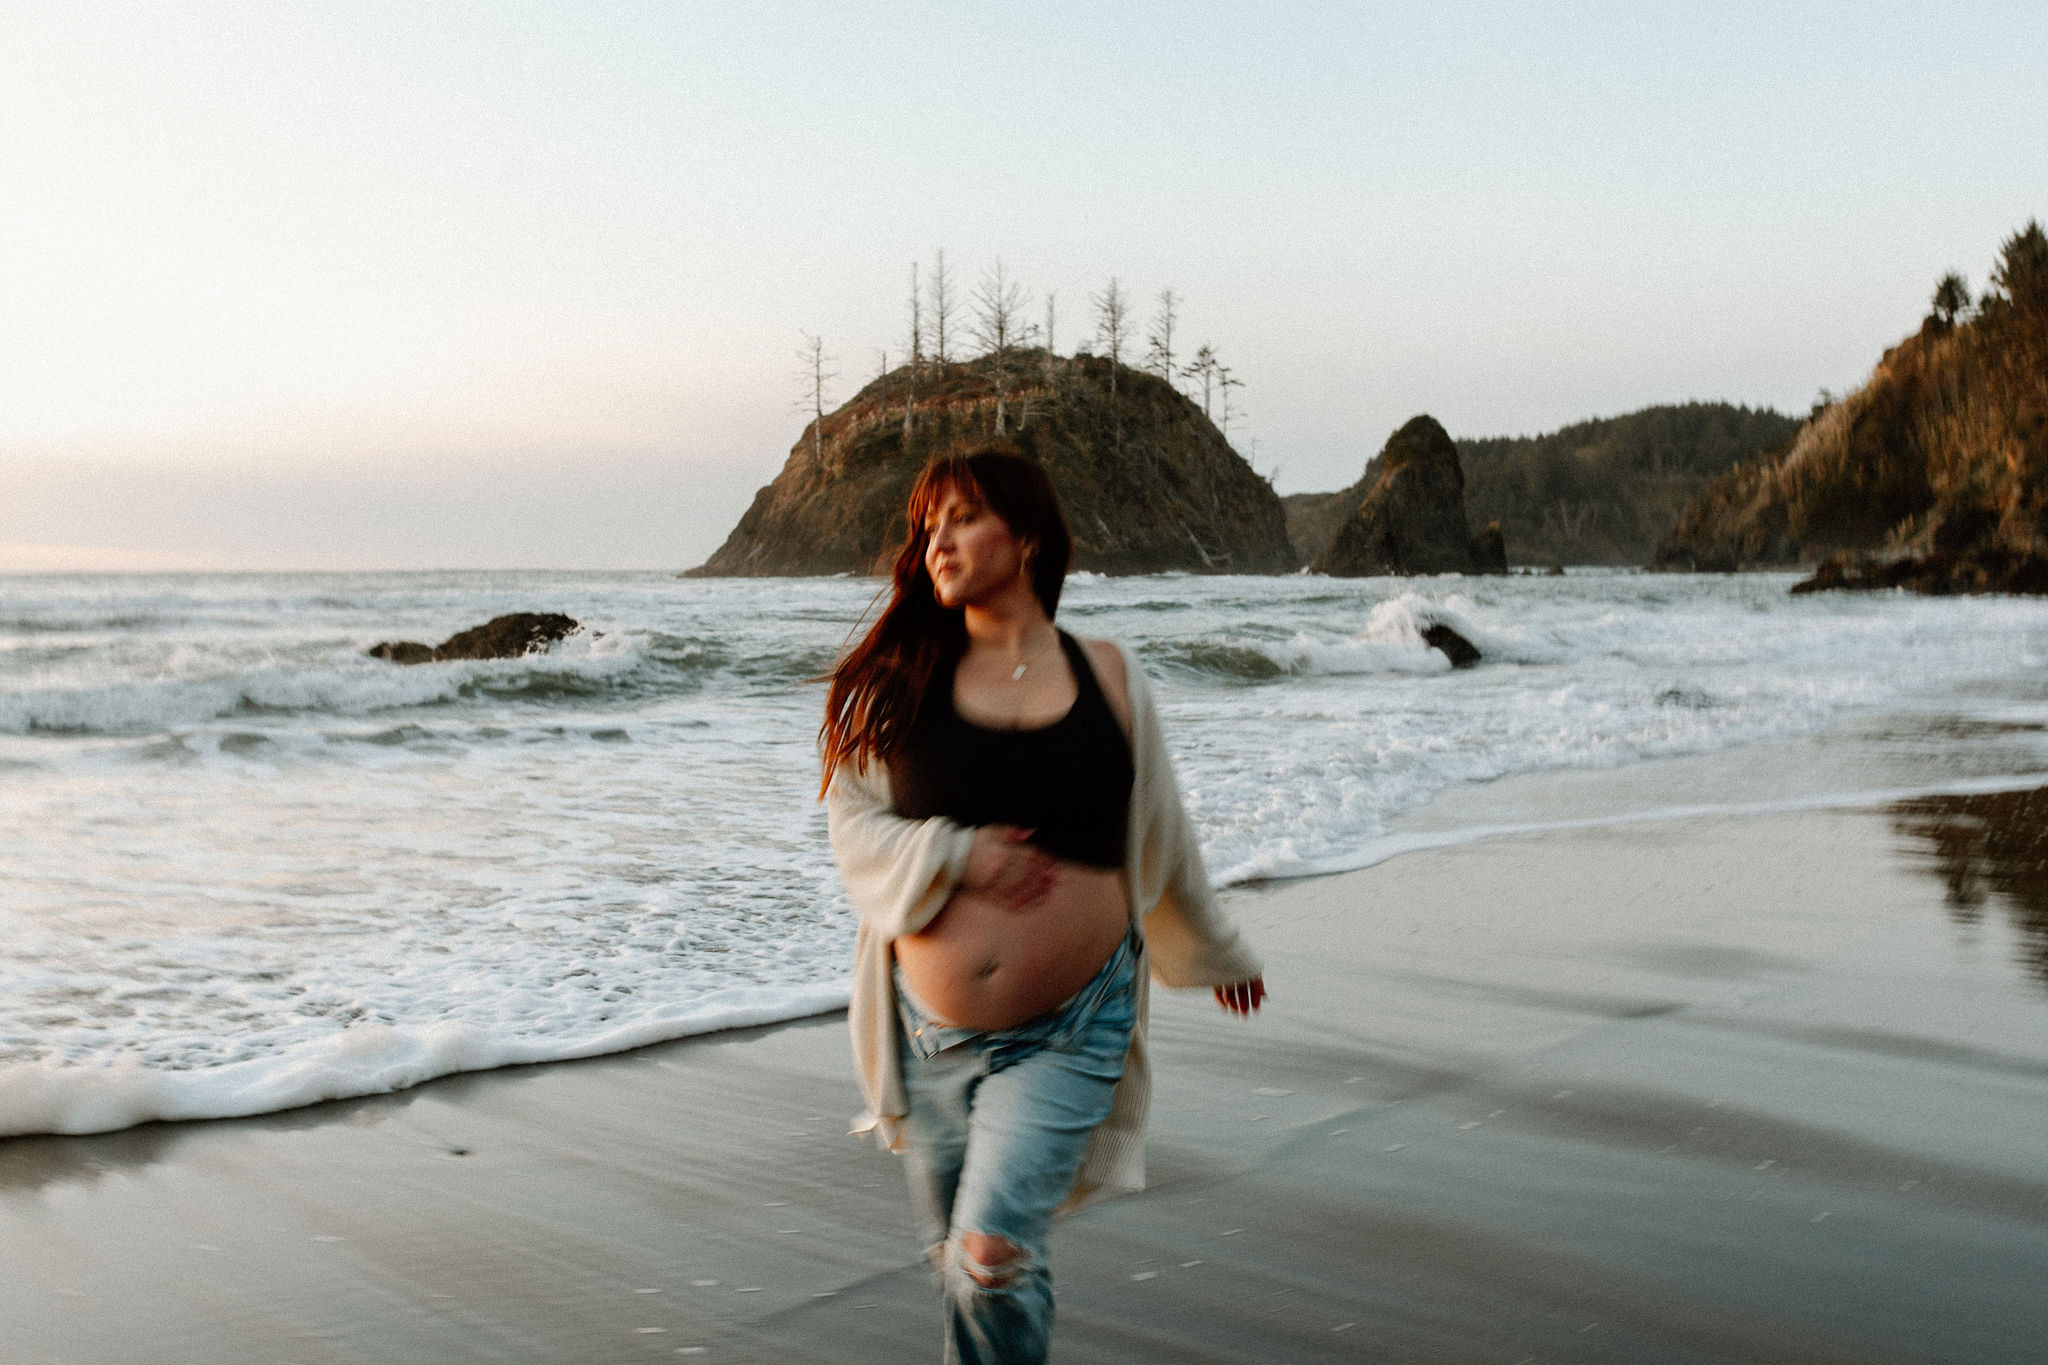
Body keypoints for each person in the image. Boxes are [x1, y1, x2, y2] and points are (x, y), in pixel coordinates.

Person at [821, 445, 1266, 1364]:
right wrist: (955, 853)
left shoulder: (1106, 674)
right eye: (928, 525)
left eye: (963, 517)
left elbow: (1165, 828)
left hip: (1075, 1024)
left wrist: (1217, 948)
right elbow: (853, 828)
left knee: (990, 1256)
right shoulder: (899, 686)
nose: (937, 539)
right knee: (965, 1264)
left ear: (1024, 538)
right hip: (929, 1037)